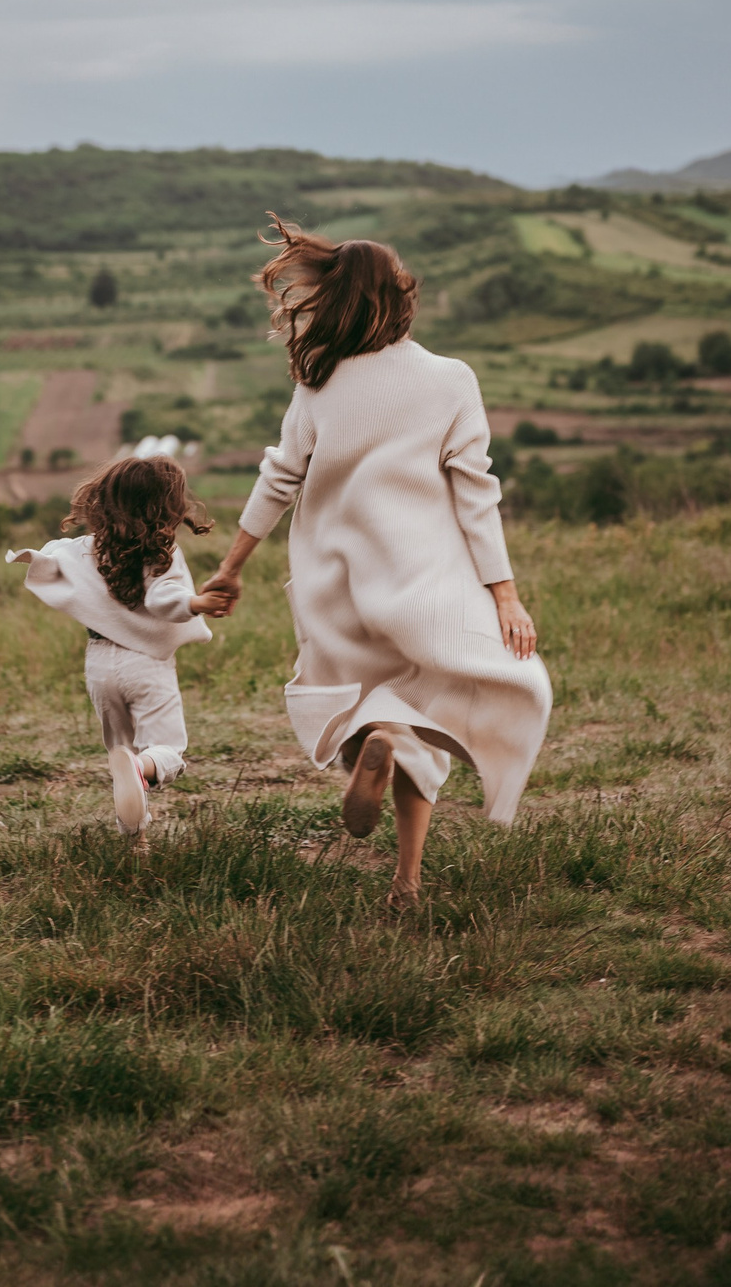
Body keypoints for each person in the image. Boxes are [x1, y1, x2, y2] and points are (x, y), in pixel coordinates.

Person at [198, 217, 551, 908]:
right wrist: (505, 594)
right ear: (400, 298)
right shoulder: (450, 379)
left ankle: (373, 747)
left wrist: (232, 566)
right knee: (433, 708)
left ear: (336, 301)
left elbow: (279, 478)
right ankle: (407, 879)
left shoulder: (318, 383)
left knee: (363, 703)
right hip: (427, 579)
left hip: (337, 580)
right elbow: (476, 492)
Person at [6, 456, 228, 834]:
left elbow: (51, 560)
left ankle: (133, 835)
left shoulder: (85, 548)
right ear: (167, 506)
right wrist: (196, 603)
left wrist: (30, 557)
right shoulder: (161, 552)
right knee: (166, 752)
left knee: (119, 753)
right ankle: (142, 770)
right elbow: (163, 598)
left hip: (98, 666)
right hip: (145, 665)